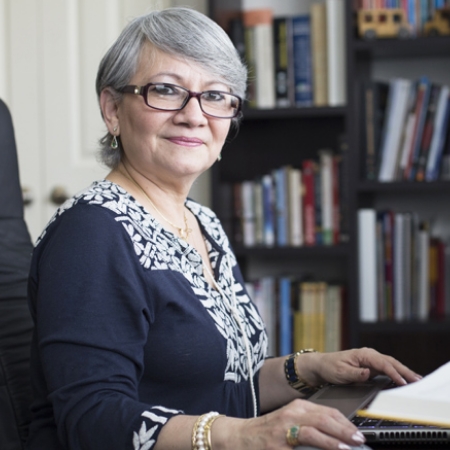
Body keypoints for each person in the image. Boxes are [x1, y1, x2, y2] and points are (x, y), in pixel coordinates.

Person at [26, 7, 422, 450]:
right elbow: (91, 420)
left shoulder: (204, 221)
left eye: (216, 96)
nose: (194, 115)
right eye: (166, 90)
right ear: (112, 109)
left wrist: (308, 369)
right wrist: (246, 434)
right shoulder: (91, 233)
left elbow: (222, 387)